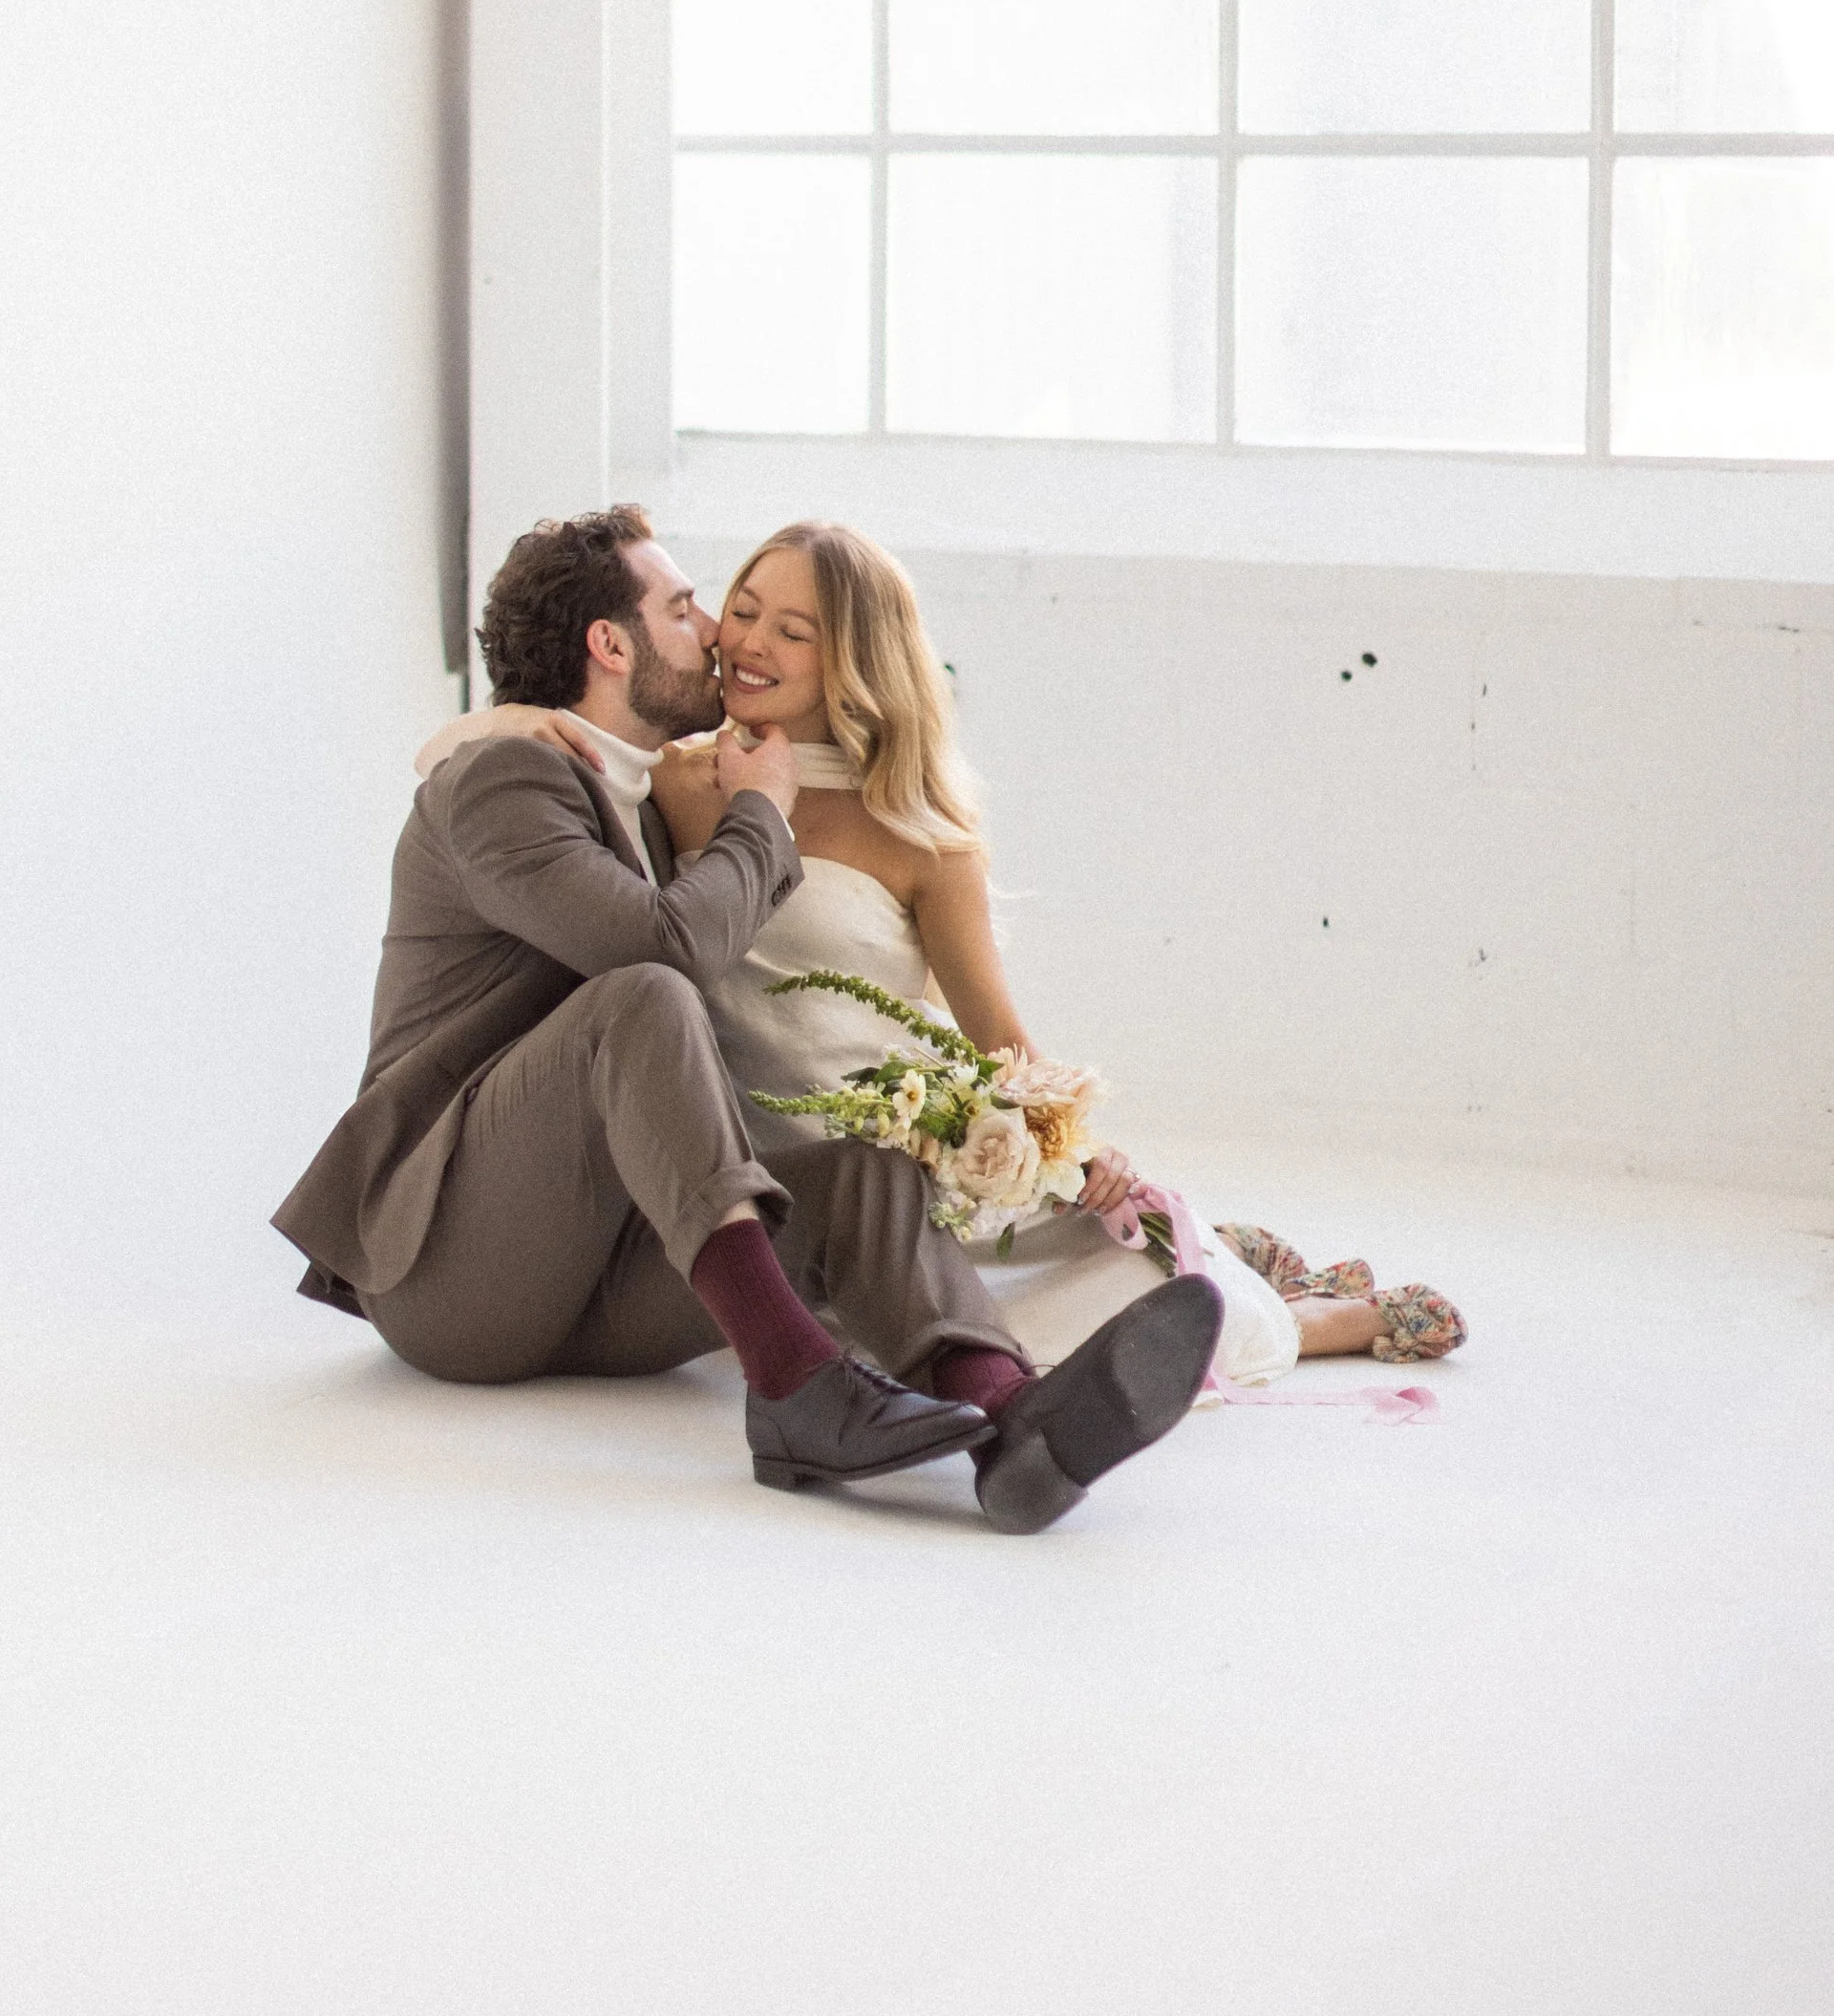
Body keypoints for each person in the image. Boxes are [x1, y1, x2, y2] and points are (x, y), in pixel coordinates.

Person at [275, 508, 1223, 1533]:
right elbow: (666, 948)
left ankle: (1012, 1422)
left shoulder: (642, 786)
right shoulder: (506, 777)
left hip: (594, 1271)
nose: (719, 633)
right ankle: (794, 1385)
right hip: (451, 1274)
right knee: (644, 990)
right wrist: (759, 813)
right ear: (609, 643)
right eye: (687, 608)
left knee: (866, 1169)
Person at [424, 520, 1467, 1383]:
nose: (741, 640)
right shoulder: (680, 779)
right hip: (737, 1159)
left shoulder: (919, 834)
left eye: (793, 629)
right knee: (864, 1306)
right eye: (737, 608)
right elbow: (540, 794)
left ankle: (1306, 1312)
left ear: (852, 660)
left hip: (899, 1149)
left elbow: (996, 1035)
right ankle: (1221, 1257)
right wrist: (500, 718)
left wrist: (1074, 1143)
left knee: (1104, 1305)